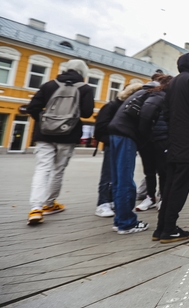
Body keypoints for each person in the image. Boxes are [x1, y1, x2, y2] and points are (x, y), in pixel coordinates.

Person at [26, 59, 95, 225]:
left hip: (45, 134)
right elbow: (86, 113)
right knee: (58, 170)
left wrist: (45, 122)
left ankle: (36, 208)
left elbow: (32, 108)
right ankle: (49, 204)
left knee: (42, 168)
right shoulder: (85, 89)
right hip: (68, 134)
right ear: (83, 73)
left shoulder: (49, 85)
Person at [154, 52, 189, 244]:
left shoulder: (173, 83)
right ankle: (169, 229)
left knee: (169, 186)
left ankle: (161, 227)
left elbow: (166, 113)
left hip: (173, 143)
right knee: (180, 188)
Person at [93, 83, 143, 218]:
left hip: (121, 143)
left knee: (118, 175)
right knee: (108, 175)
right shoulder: (112, 106)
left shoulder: (126, 107)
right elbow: (100, 128)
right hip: (113, 144)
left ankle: (112, 200)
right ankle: (102, 203)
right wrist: (113, 140)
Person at [107, 84, 152, 235]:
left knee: (119, 180)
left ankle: (120, 220)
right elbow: (146, 118)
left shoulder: (140, 93)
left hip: (115, 132)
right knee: (125, 180)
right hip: (126, 135)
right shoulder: (154, 95)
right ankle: (126, 223)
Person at [138, 74, 172, 211]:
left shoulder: (166, 98)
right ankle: (153, 197)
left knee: (156, 171)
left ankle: (158, 197)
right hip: (155, 138)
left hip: (158, 138)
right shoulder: (155, 96)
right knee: (156, 171)